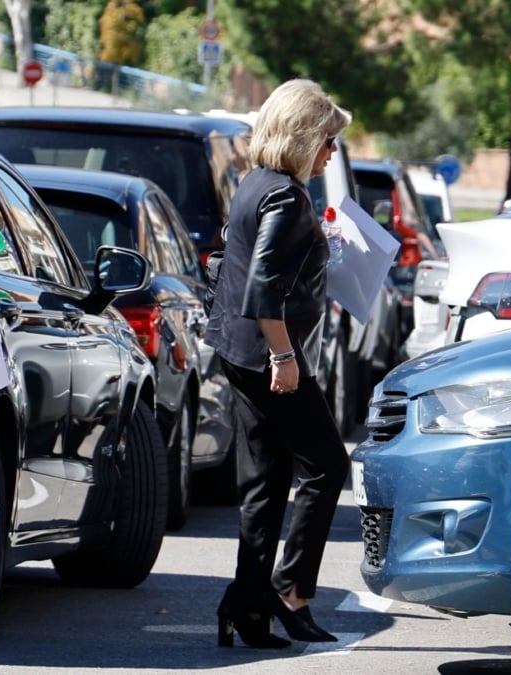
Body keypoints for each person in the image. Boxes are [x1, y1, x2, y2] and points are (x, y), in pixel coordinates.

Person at [203, 78, 353, 649]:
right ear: (304, 136)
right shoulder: (287, 197)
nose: (331, 153)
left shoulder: (257, 184)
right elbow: (263, 285)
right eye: (328, 141)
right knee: (327, 465)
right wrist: (285, 356)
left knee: (266, 482)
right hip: (268, 357)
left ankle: (246, 606)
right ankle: (288, 591)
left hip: (239, 352)